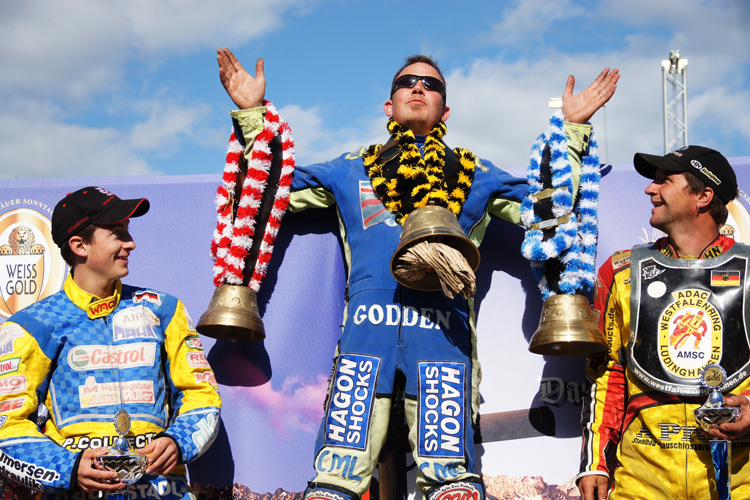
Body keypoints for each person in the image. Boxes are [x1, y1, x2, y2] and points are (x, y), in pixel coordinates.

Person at [217, 48, 618, 500]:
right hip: (365, 344)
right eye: (407, 82)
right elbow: (265, 192)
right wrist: (252, 115)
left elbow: (552, 207)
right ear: (388, 106)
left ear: (445, 109)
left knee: (452, 485)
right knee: (333, 483)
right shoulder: (350, 167)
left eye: (431, 84)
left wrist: (572, 132)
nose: (418, 88)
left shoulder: (478, 173)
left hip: (443, 341)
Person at [0, 187, 222, 499]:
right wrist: (69, 467)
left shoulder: (164, 310)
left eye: (127, 232)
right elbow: (7, 426)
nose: (130, 243)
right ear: (80, 245)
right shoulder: (32, 325)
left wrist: (177, 441)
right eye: (117, 233)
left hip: (162, 492)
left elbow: (203, 396)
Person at [577, 146, 750, 500]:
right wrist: (595, 462)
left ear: (703, 196)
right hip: (641, 480)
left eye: (663, 180)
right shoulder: (621, 272)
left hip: (739, 479)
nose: (649, 189)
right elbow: (606, 372)